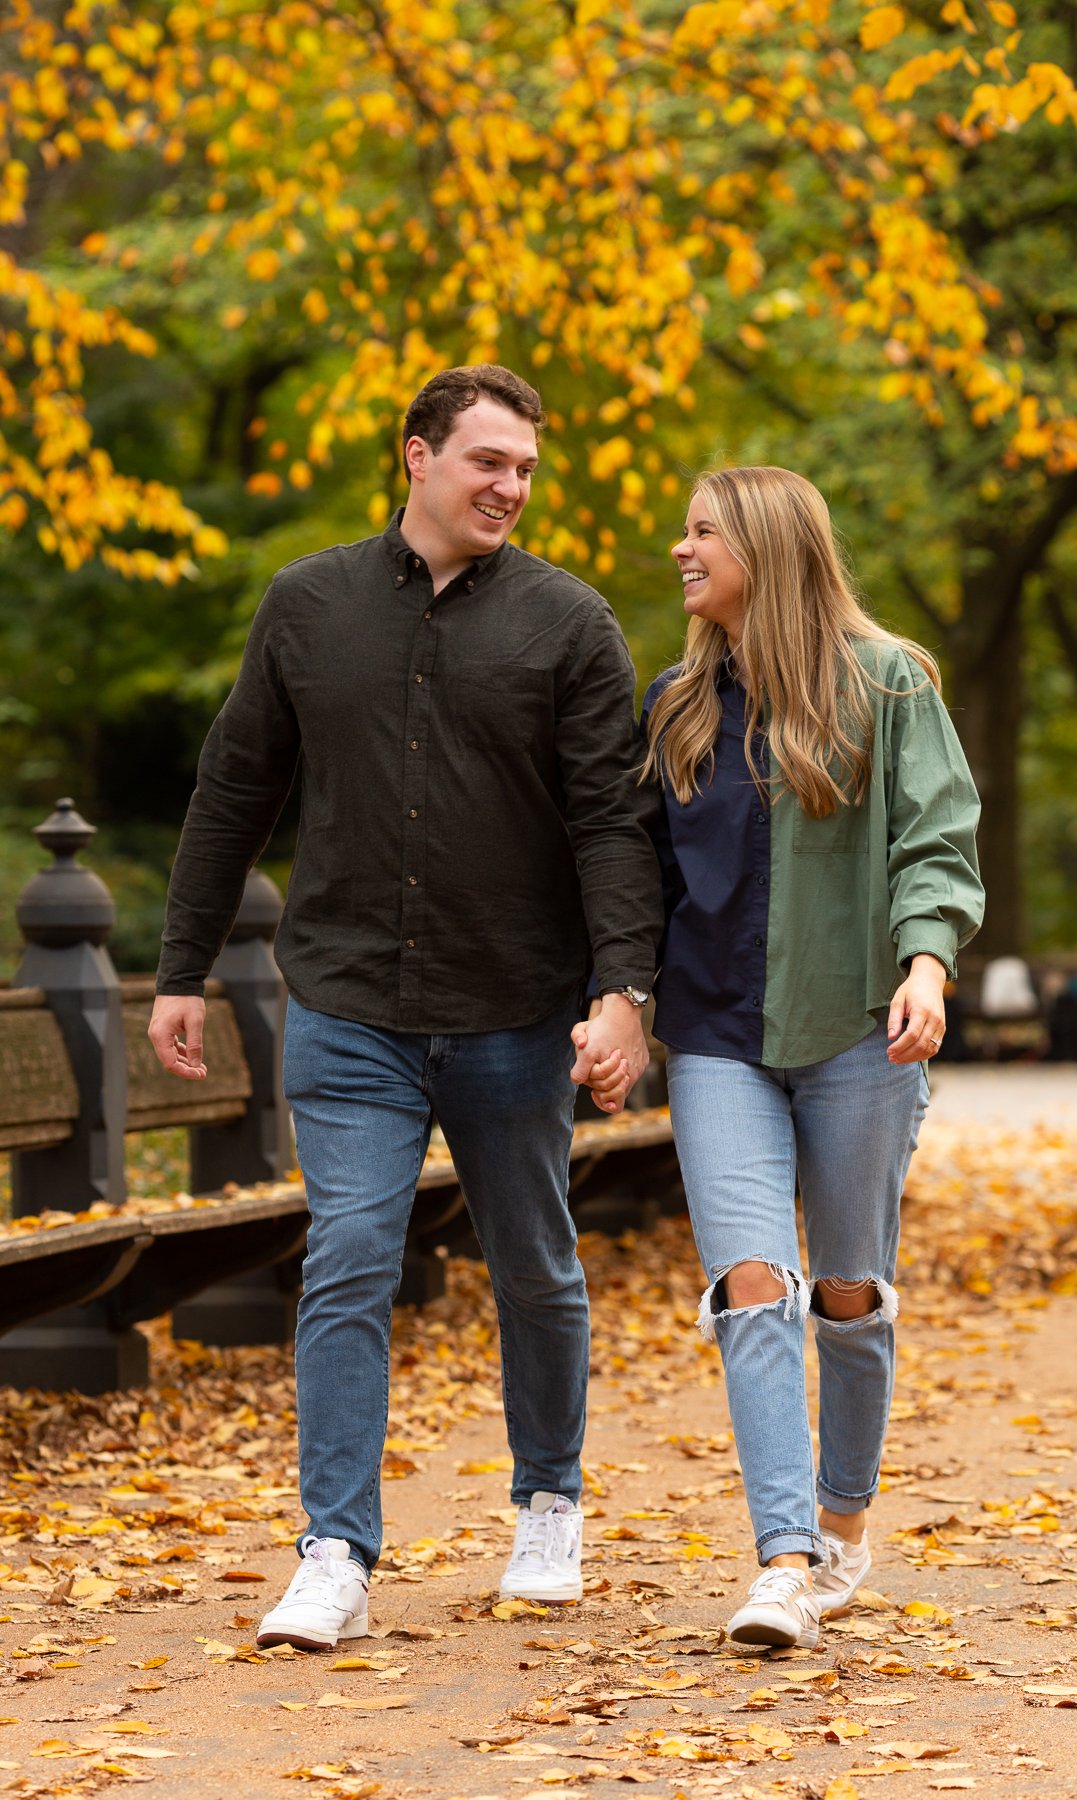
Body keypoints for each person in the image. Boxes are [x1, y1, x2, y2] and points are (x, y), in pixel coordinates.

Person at [148, 364, 661, 1650]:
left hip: (511, 1004)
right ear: (417, 456)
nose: (512, 488)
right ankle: (334, 1551)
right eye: (490, 462)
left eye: (528, 470)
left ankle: (548, 1500)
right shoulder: (306, 605)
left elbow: (613, 820)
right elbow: (233, 793)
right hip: (350, 1003)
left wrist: (622, 992)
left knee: (535, 1266)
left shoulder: (571, 623)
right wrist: (180, 969)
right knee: (350, 1261)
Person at [640, 466, 983, 1649]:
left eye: (701, 532)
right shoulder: (677, 706)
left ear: (769, 546)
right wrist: (620, 1001)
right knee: (752, 1286)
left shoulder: (889, 683)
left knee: (846, 1294)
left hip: (855, 1032)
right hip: (718, 1038)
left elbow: (935, 839)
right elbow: (640, 879)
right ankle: (783, 1560)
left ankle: (842, 1523)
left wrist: (926, 965)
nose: (679, 550)